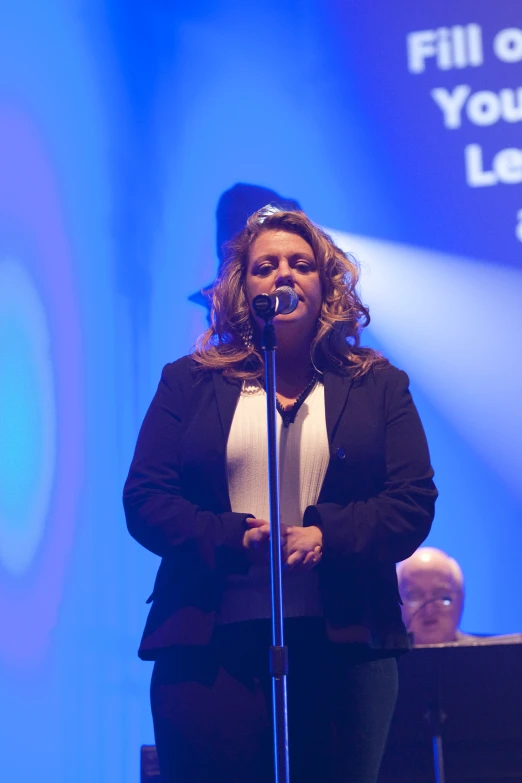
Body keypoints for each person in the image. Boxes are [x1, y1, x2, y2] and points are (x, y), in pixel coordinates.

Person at [123, 206, 438, 783]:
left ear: (326, 286)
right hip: (208, 647)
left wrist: (327, 535)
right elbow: (146, 499)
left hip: (344, 646)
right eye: (266, 266)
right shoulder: (188, 382)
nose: (284, 275)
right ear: (243, 288)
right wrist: (231, 536)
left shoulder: (378, 385)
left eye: (301, 264)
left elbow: (412, 501)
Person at [397, 547, 466, 645]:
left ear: (461, 600)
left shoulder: (490, 656)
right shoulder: (383, 659)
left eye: (442, 596)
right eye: (415, 596)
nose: (429, 610)